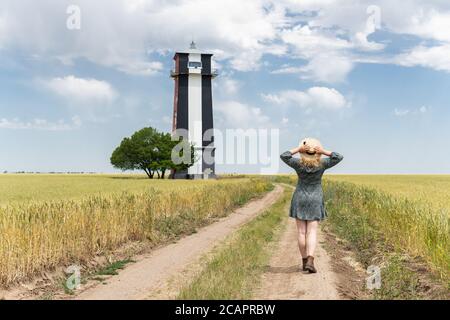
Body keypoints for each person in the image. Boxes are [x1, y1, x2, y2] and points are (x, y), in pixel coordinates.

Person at [280, 138, 343, 273]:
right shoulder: (322, 164)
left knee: (301, 232)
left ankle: (304, 262)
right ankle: (310, 260)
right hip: (315, 198)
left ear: (303, 152)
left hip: (300, 197)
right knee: (312, 232)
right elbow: (338, 157)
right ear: (317, 152)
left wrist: (298, 149)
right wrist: (323, 152)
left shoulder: (298, 163)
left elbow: (284, 155)